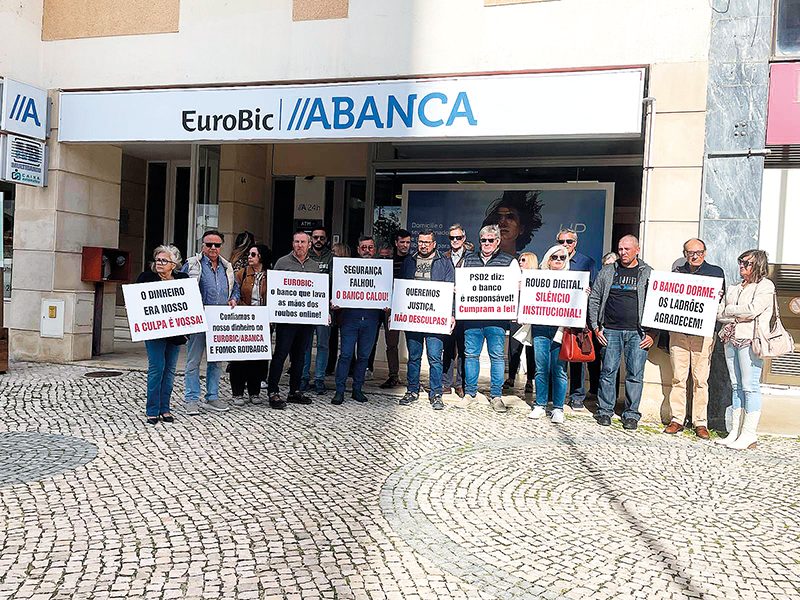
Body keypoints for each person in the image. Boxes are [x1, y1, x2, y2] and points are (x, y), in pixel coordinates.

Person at [588, 235, 655, 430]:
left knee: (635, 374)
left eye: (627, 249)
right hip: (610, 330)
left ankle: (631, 414)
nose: (623, 253)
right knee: (608, 372)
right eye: (620, 249)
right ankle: (604, 411)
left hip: (638, 333)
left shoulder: (648, 273)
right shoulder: (608, 271)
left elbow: (657, 304)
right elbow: (595, 298)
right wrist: (595, 326)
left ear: (637, 250)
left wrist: (652, 333)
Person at [663, 238, 726, 439]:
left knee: (700, 379)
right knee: (678, 378)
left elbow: (721, 303)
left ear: (705, 253)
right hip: (679, 333)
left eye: (698, 252)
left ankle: (700, 422)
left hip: (703, 335)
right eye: (690, 252)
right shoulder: (677, 273)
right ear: (685, 254)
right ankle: (677, 419)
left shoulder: (716, 272)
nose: (695, 255)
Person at [716, 249, 774, 450]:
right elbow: (719, 313)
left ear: (757, 264)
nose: (741, 265)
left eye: (746, 263)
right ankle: (735, 430)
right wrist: (735, 313)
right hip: (730, 338)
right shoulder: (734, 286)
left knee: (750, 386)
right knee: (736, 385)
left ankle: (749, 433)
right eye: (740, 261)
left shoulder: (765, 286)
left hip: (750, 340)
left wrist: (732, 311)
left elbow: (753, 309)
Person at [461, 224, 519, 412]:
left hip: (497, 319)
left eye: (490, 240)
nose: (486, 243)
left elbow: (517, 287)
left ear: (498, 241)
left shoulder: (509, 261)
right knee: (470, 356)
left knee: (497, 357)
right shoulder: (467, 260)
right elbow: (460, 285)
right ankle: (470, 394)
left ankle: (496, 396)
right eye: (483, 240)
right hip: (472, 318)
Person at [398, 230, 456, 410]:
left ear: (434, 244)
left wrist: (452, 313)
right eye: (421, 242)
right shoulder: (409, 261)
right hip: (413, 318)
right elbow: (401, 287)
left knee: (434, 358)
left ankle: (436, 393)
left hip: (435, 319)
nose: (423, 245)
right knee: (413, 357)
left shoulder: (445, 262)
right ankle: (412, 390)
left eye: (427, 242)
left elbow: (451, 290)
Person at [181, 230, 235, 415]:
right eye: (209, 244)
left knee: (216, 362)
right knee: (193, 361)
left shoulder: (227, 267)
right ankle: (191, 399)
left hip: (219, 322)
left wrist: (233, 298)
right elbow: (180, 286)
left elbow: (234, 288)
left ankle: (212, 396)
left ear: (221, 246)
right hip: (198, 321)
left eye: (217, 245)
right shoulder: (192, 264)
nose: (213, 248)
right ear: (202, 245)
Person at [266, 230, 321, 409]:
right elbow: (274, 289)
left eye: (303, 242)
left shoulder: (314, 265)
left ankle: (294, 391)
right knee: (280, 355)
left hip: (306, 320)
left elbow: (317, 292)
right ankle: (273, 392)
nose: (299, 245)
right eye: (296, 241)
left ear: (309, 244)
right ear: (292, 243)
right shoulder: (282, 262)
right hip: (286, 320)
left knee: (300, 357)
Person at [137, 245, 188, 425]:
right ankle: (152, 410)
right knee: (157, 368)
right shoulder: (146, 278)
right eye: (158, 260)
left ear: (173, 264)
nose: (159, 263)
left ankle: (165, 408)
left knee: (170, 371)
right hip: (154, 331)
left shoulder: (183, 279)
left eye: (164, 260)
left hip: (175, 333)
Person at [332, 236, 384, 405]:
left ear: (374, 249)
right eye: (364, 247)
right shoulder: (348, 268)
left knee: (363, 356)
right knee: (346, 355)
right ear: (358, 249)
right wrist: (335, 302)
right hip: (350, 319)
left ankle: (357, 389)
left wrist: (387, 304)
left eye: (370, 247)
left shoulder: (382, 270)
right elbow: (339, 288)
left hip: (371, 319)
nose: (367, 250)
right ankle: (339, 391)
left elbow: (386, 293)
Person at [528, 245, 573, 423]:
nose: (558, 261)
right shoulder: (537, 278)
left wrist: (583, 294)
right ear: (548, 259)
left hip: (560, 330)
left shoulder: (573, 280)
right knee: (541, 368)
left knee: (559, 370)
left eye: (562, 258)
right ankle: (540, 405)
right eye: (555, 257)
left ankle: (558, 408)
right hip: (540, 327)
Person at [558, 228, 600, 411]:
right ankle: (555, 394)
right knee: (556, 358)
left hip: (576, 317)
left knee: (575, 357)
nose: (565, 245)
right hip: (555, 315)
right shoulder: (553, 258)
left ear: (575, 243)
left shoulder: (586, 262)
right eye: (561, 242)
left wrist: (589, 293)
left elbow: (595, 288)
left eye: (569, 242)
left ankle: (577, 396)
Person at [228, 243, 271, 406]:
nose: (249, 257)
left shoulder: (270, 275)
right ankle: (237, 392)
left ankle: (254, 392)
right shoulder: (242, 273)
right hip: (244, 320)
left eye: (253, 254)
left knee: (258, 358)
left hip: (263, 322)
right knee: (240, 357)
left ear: (261, 257)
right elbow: (235, 292)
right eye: (249, 254)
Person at [378, 229, 411, 388]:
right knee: (391, 344)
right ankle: (393, 375)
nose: (405, 245)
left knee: (413, 344)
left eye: (408, 242)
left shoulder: (414, 260)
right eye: (402, 242)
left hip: (411, 307)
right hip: (391, 307)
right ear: (396, 243)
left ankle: (413, 377)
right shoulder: (388, 261)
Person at [302, 227, 333, 394]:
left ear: (326, 239)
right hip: (307, 307)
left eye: (321, 237)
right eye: (315, 237)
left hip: (325, 308)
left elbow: (337, 281)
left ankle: (319, 378)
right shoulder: (305, 257)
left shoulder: (332, 258)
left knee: (323, 345)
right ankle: (303, 377)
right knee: (305, 345)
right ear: (311, 239)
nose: (318, 240)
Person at [442, 223, 471, 397]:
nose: (455, 240)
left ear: (464, 238)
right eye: (452, 237)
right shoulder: (443, 257)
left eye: (458, 237)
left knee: (463, 349)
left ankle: (460, 384)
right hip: (446, 308)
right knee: (447, 348)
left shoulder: (472, 257)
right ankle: (445, 383)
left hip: (465, 309)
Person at [505, 251, 538, 393]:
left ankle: (530, 380)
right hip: (516, 318)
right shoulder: (514, 279)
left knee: (531, 351)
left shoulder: (538, 279)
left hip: (532, 319)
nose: (520, 262)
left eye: (523, 260)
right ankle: (511, 377)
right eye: (519, 260)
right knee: (513, 349)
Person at [482, 190, 544, 256]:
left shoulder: (523, 264)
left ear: (521, 229)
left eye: (510, 217)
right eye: (498, 217)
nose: (502, 222)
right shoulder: (479, 262)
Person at [326, 242, 352, 376]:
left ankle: (349, 368)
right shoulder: (330, 267)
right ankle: (329, 366)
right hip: (332, 307)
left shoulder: (350, 268)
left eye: (334, 251)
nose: (332, 254)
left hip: (346, 309)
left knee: (348, 340)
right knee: (332, 339)